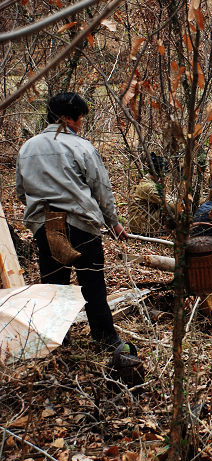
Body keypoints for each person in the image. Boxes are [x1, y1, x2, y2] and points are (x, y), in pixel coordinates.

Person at [16, 92, 128, 350]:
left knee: (53, 285)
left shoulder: (27, 147)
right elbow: (101, 189)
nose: (80, 125)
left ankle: (57, 341)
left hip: (46, 225)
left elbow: (21, 192)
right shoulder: (81, 147)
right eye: (79, 119)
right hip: (81, 225)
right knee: (93, 284)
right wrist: (113, 222)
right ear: (67, 119)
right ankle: (106, 340)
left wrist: (42, 215)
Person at [127, 153, 174, 236]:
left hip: (143, 221)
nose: (165, 177)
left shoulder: (149, 180)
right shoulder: (149, 187)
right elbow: (170, 203)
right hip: (142, 227)